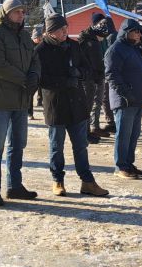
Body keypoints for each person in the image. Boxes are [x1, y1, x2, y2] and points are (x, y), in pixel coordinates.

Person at [36, 12, 111, 197]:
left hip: (77, 104)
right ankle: (57, 180)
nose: (65, 32)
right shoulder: (41, 51)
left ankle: (87, 181)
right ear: (50, 31)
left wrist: (79, 73)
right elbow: (41, 79)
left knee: (81, 146)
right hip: (56, 106)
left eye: (65, 28)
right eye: (60, 29)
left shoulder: (74, 46)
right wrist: (64, 81)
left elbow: (88, 69)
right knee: (56, 147)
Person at [0, 0, 40, 205]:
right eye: (17, 12)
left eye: (23, 12)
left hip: (21, 99)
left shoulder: (24, 35)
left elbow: (35, 59)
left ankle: (15, 186)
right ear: (7, 13)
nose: (21, 15)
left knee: (18, 144)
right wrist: (24, 79)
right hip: (0, 99)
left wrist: (34, 76)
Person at [104, 18, 142, 178]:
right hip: (125, 100)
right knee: (123, 135)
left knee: (133, 134)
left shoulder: (134, 48)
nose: (139, 34)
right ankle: (121, 166)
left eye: (140, 32)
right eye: (136, 31)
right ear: (126, 32)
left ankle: (128, 163)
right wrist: (125, 93)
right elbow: (111, 74)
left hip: (137, 98)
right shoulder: (116, 49)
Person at [77, 16, 114, 143]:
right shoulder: (88, 42)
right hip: (88, 79)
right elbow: (91, 62)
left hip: (94, 78)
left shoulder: (93, 40)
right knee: (87, 106)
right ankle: (85, 133)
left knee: (93, 104)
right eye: (103, 36)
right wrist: (96, 76)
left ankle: (89, 130)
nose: (103, 39)